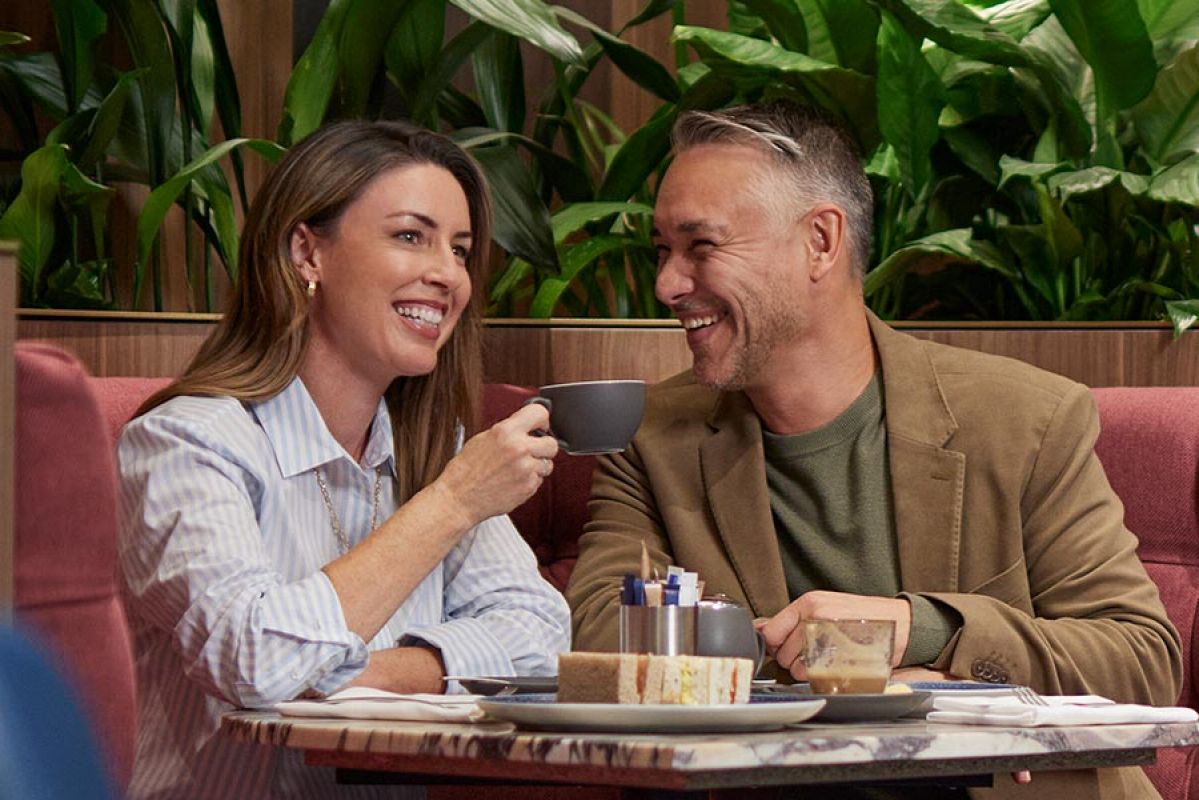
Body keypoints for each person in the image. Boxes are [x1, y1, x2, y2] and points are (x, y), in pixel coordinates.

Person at [565, 101, 1181, 799]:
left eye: (700, 246)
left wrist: (922, 629)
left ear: (820, 241)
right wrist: (829, 682)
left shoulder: (1025, 419)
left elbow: (1139, 658)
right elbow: (604, 643)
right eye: (661, 252)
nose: (667, 285)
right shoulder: (648, 438)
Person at [118, 120, 570, 798]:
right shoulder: (186, 444)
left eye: (461, 249)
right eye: (410, 236)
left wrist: (362, 674)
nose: (447, 274)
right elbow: (257, 659)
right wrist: (448, 506)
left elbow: (542, 636)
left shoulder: (432, 447)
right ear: (308, 253)